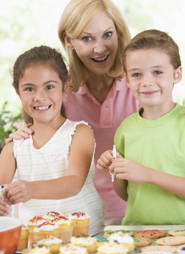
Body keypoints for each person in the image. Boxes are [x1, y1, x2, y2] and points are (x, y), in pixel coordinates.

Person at [7, 0, 137, 225]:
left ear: (119, 33)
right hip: (75, 214)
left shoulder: (137, 83)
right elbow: (37, 139)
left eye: (107, 34)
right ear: (69, 40)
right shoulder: (60, 92)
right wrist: (20, 136)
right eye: (87, 38)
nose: (99, 48)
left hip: (134, 207)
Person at [0, 45, 104, 235]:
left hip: (84, 239)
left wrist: (30, 189)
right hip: (34, 245)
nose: (39, 97)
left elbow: (73, 183)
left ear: (65, 86)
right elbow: (1, 188)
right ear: (18, 91)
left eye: (49, 87)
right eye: (29, 89)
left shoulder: (79, 132)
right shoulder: (14, 147)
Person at [97, 29, 185, 225]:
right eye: (137, 74)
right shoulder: (126, 129)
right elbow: (127, 195)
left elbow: (143, 175)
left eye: (157, 72)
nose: (147, 82)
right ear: (127, 80)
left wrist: (147, 174)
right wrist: (115, 170)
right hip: (137, 234)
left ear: (177, 74)